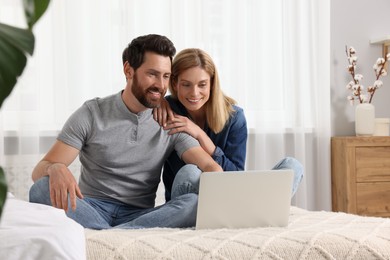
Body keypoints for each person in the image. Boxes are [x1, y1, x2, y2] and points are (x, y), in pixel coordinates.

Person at [29, 34, 222, 230]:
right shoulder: (92, 114)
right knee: (40, 189)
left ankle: (107, 234)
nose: (161, 85)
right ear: (128, 71)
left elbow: (209, 165)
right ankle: (124, 234)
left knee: (193, 203)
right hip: (90, 208)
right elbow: (39, 171)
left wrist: (215, 173)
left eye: (165, 76)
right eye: (152, 74)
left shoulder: (169, 121)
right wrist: (54, 168)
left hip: (140, 213)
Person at [154, 48, 304, 201]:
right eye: (186, 85)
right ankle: (254, 207)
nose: (194, 93)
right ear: (175, 82)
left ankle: (258, 208)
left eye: (202, 84)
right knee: (190, 172)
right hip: (188, 200)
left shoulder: (234, 117)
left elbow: (236, 175)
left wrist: (201, 135)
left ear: (212, 84)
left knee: (292, 166)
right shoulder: (167, 110)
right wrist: (159, 101)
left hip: (228, 195)